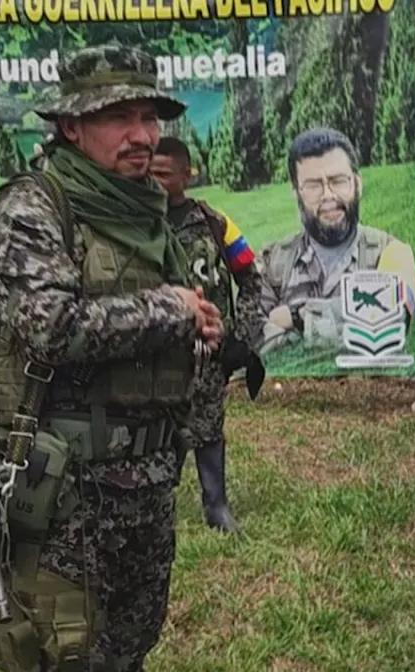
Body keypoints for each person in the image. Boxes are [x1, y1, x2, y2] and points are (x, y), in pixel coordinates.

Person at [0, 44, 222, 671]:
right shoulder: (32, 210)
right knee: (60, 656)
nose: (142, 136)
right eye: (119, 118)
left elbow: (160, 316)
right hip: (65, 497)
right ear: (71, 126)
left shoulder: (147, 212)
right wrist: (171, 310)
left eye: (150, 117)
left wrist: (198, 329)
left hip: (148, 484)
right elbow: (51, 329)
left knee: (128, 649)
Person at [151, 136, 268, 532]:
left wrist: (240, 337)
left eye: (164, 174)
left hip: (206, 355)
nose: (155, 180)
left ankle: (216, 506)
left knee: (207, 425)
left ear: (187, 175)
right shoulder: (135, 226)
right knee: (154, 434)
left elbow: (253, 283)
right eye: (149, 172)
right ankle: (155, 510)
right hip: (150, 354)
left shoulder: (217, 225)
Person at [257, 126, 415, 353]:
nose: (328, 196)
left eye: (338, 181)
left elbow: (393, 318)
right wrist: (348, 323)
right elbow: (251, 337)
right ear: (296, 193)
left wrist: (297, 319)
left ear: (357, 183)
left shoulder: (392, 253)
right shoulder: (272, 261)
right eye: (313, 185)